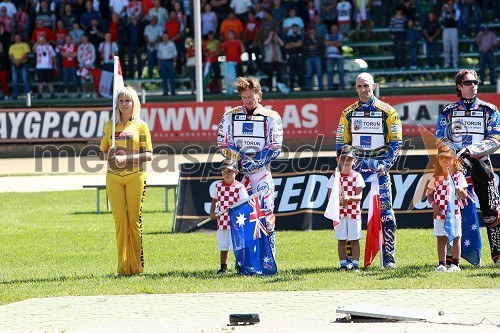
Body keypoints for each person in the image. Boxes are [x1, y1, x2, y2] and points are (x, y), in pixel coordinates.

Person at [336, 72, 403, 268]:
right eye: (359, 86)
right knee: (347, 212)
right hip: (354, 172)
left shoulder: (388, 112)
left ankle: (388, 256)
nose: (363, 90)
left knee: (386, 213)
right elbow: (341, 143)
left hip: (379, 171)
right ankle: (349, 260)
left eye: (366, 86)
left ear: (373, 86)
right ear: (355, 88)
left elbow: (396, 143)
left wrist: (385, 164)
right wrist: (345, 167)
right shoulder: (347, 112)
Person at [436, 69, 500, 264]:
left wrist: (471, 150)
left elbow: (496, 138)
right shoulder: (448, 112)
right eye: (469, 82)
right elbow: (441, 139)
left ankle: (497, 256)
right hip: (456, 169)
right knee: (453, 210)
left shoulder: (489, 110)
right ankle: (449, 259)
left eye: (475, 82)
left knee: (492, 212)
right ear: (459, 86)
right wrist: (456, 154)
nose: (473, 86)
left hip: (482, 166)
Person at [217, 76, 283, 256]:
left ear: (259, 95)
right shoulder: (230, 115)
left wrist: (257, 161)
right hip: (238, 174)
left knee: (267, 212)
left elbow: (276, 146)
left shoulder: (271, 117)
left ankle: (269, 258)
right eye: (244, 97)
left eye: (251, 96)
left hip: (261, 173)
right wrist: (241, 159)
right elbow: (222, 143)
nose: (247, 100)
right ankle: (244, 260)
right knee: (241, 216)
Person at [99, 86, 153, 276]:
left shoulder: (141, 125)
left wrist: (126, 159)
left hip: (135, 177)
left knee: (133, 221)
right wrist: (109, 153)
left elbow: (149, 155)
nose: (124, 104)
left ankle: (137, 267)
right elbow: (101, 154)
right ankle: (122, 268)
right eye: (121, 101)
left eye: (127, 101)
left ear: (134, 103)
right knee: (120, 222)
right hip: (113, 178)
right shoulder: (110, 125)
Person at [426, 145, 467, 272]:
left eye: (448, 158)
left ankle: (455, 264)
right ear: (438, 160)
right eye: (442, 158)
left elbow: (464, 195)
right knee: (441, 238)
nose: (444, 161)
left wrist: (460, 190)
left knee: (456, 237)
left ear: (454, 160)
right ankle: (442, 264)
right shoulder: (435, 176)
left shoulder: (458, 176)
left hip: (454, 212)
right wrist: (433, 205)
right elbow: (429, 194)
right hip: (440, 213)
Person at [325, 145, 366, 271]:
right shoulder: (334, 177)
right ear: (338, 160)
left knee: (355, 239)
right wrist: (339, 201)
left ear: (354, 160)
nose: (346, 162)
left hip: (354, 213)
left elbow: (359, 196)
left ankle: (355, 264)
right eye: (343, 159)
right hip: (340, 213)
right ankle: (343, 264)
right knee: (341, 239)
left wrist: (349, 198)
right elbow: (330, 196)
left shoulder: (357, 176)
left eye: (349, 159)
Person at [209, 159, 249, 274]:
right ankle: (223, 267)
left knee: (238, 245)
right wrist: (212, 212)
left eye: (229, 171)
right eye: (224, 171)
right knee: (223, 245)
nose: (226, 174)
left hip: (235, 221)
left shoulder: (239, 187)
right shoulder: (218, 186)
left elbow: (245, 204)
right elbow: (215, 200)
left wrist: (234, 210)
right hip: (222, 221)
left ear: (236, 172)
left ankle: (241, 266)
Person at [33, 34, 56, 99]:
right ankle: (40, 94)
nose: (42, 41)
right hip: (39, 67)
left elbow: (53, 56)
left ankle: (52, 93)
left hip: (48, 66)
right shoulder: (37, 46)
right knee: (40, 81)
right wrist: (37, 42)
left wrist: (55, 64)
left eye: (43, 40)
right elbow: (33, 49)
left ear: (45, 40)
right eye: (40, 40)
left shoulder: (49, 46)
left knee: (50, 81)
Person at [8, 33, 30, 99]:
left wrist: (19, 60)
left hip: (23, 64)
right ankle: (15, 95)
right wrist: (15, 61)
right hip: (14, 64)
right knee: (15, 81)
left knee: (25, 80)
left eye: (18, 38)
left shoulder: (25, 45)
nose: (17, 39)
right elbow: (10, 55)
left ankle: (28, 95)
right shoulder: (12, 46)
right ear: (14, 39)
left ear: (20, 38)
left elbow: (26, 53)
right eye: (16, 38)